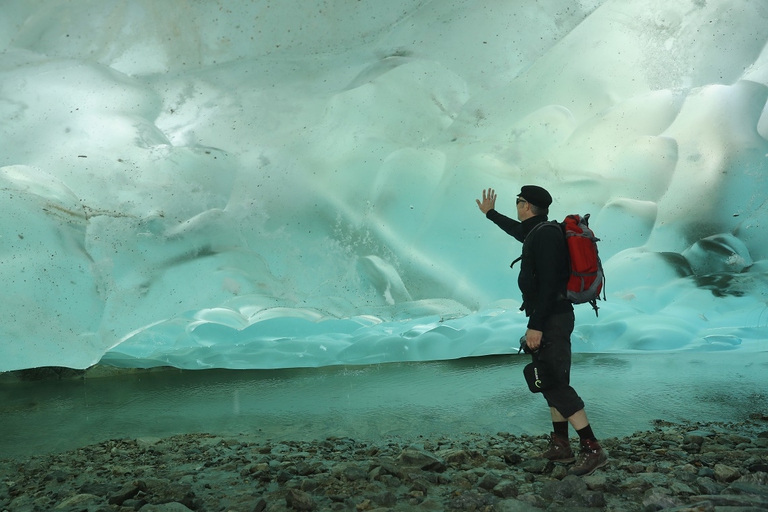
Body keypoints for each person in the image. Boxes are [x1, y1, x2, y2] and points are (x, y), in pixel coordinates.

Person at [476, 185, 608, 477]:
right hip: (549, 316)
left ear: (526, 206)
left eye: (518, 202)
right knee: (549, 380)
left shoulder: (546, 235)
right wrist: (491, 214)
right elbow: (517, 230)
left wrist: (535, 325)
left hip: (552, 318)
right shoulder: (539, 231)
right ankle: (562, 445)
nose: (517, 206)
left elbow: (549, 284)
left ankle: (592, 448)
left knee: (555, 384)